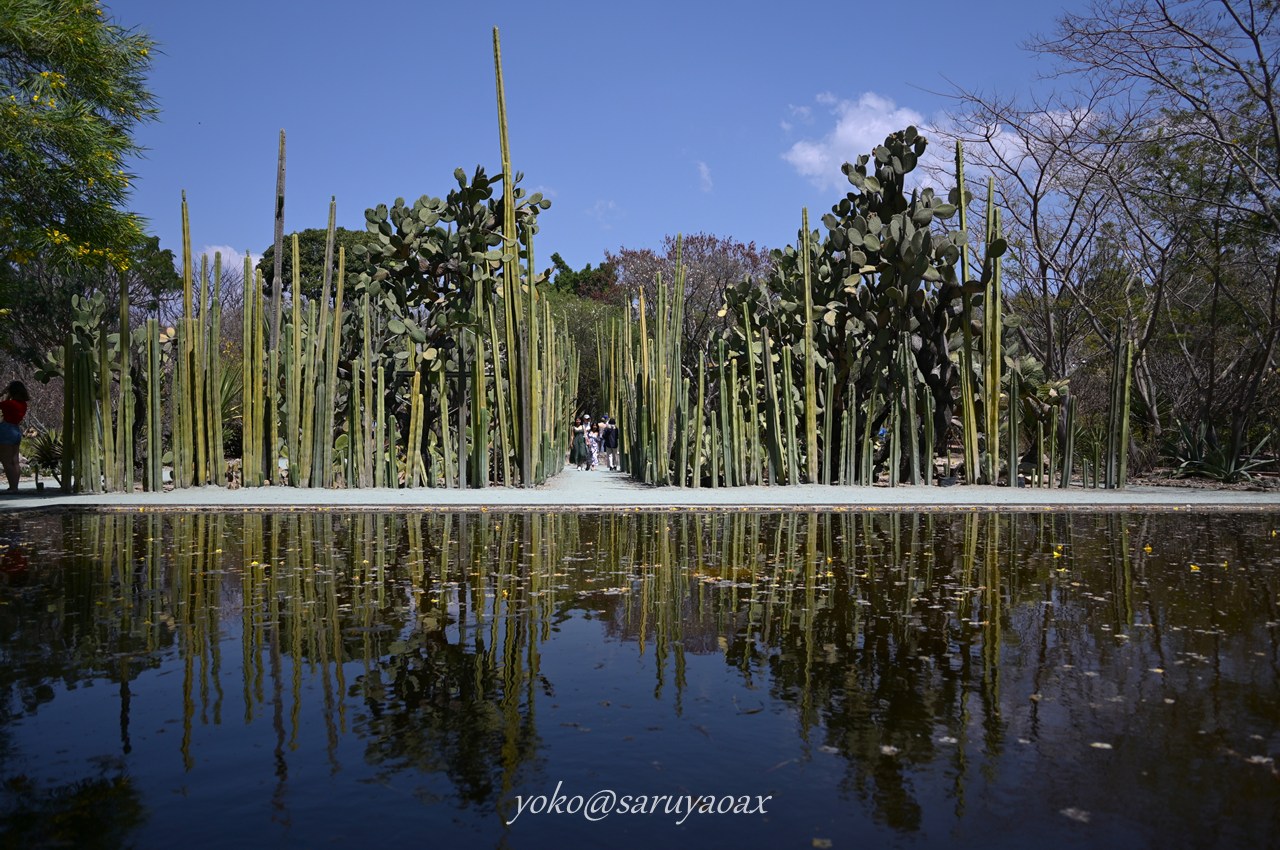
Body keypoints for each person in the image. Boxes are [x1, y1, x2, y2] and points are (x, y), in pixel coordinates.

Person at [0, 381, 28, 492]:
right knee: (15, 461)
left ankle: (12, 487)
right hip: (16, 430)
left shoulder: (9, 404)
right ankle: (15, 486)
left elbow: (2, 405)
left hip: (6, 430)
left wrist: (4, 394)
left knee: (6, 461)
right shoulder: (23, 404)